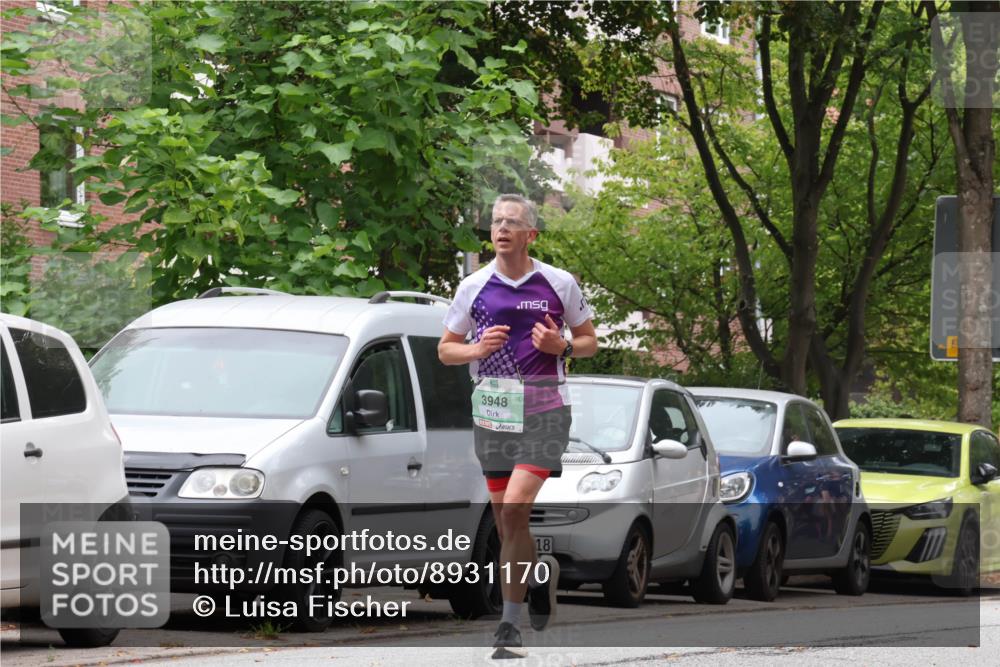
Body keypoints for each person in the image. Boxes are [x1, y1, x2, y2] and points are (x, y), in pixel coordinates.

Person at [438, 194, 597, 655]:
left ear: (531, 234)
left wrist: (561, 345)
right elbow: (446, 350)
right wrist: (476, 350)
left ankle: (508, 626)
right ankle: (537, 578)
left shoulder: (558, 282)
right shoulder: (472, 286)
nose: (502, 228)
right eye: (496, 221)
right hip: (493, 410)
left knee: (514, 509)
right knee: (509, 525)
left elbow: (590, 341)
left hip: (546, 408)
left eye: (512, 222)